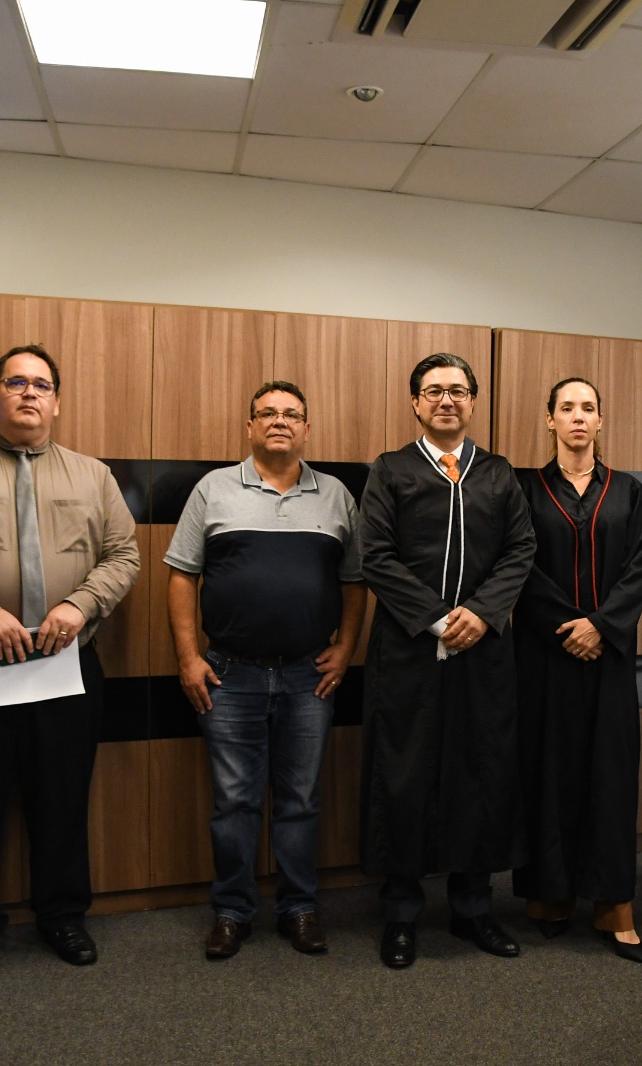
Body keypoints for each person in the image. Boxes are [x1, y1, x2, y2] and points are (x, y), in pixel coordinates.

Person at [0, 344, 140, 980]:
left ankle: (63, 916)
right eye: (14, 382)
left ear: (57, 401)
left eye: (41, 384)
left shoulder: (92, 475)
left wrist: (79, 605)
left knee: (62, 797)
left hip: (64, 662)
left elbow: (123, 554)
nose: (28, 393)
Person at [164, 381, 365, 960]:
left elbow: (355, 581)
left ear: (307, 429)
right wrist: (188, 658)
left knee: (300, 799)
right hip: (229, 677)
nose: (280, 421)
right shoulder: (214, 489)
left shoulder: (336, 496)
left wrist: (346, 648)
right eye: (268, 413)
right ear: (249, 426)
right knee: (234, 801)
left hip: (308, 676)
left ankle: (300, 908)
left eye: (291, 414)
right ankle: (231, 912)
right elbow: (182, 575)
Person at [359, 352, 536, 969]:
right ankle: (401, 914)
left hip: (483, 654)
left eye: (457, 390)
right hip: (408, 653)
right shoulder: (391, 470)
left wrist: (481, 614)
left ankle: (473, 908)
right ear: (416, 403)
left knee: (480, 774)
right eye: (433, 391)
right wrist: (437, 617)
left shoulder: (497, 474)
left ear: (472, 401)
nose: (446, 400)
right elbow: (375, 555)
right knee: (403, 776)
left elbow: (521, 548)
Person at [512, 378, 642, 963]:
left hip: (609, 658)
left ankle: (613, 906)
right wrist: (567, 627)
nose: (577, 417)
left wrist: (601, 626)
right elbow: (518, 564)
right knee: (548, 773)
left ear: (600, 420)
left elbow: (638, 567)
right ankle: (551, 896)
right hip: (545, 657)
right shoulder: (525, 489)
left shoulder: (627, 491)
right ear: (550, 419)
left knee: (610, 777)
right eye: (566, 408)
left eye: (587, 408)